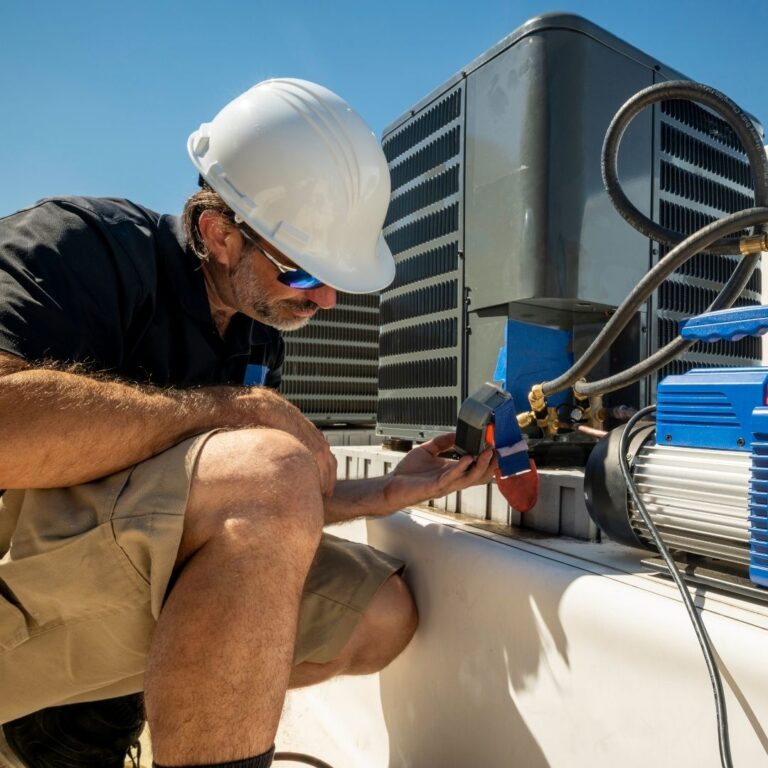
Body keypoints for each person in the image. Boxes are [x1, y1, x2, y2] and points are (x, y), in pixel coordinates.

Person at [0, 79, 496, 768]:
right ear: (218, 235)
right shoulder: (84, 250)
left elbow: (253, 509)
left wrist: (386, 492)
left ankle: (133, 721)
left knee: (381, 612)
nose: (324, 298)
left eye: (333, 280)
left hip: (107, 600)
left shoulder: (255, 338)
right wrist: (232, 410)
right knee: (266, 467)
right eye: (301, 275)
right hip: (15, 602)